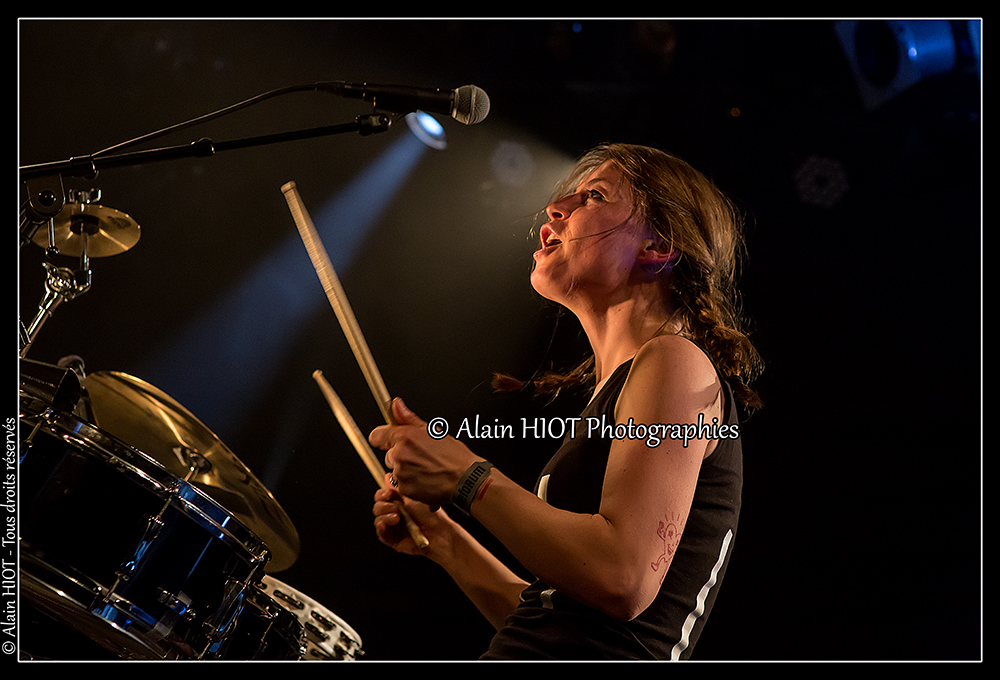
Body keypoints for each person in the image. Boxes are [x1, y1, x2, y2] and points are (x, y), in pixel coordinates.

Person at [368, 143, 762, 660]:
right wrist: (444, 539)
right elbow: (561, 625)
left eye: (594, 196)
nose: (555, 208)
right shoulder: (629, 383)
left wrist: (466, 477)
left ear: (658, 245)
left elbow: (622, 578)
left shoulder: (675, 361)